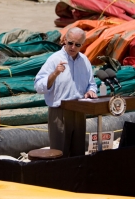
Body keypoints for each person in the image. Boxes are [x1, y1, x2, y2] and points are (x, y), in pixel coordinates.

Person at [34, 27, 97, 157]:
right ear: (64, 40)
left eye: (77, 44)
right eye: (70, 43)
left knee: (78, 153)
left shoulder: (85, 61)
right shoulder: (54, 59)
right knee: (59, 153)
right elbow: (38, 86)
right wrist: (54, 74)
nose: (73, 47)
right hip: (60, 113)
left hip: (79, 111)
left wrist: (91, 91)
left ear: (82, 45)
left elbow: (92, 84)